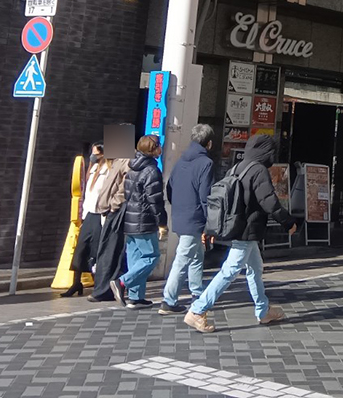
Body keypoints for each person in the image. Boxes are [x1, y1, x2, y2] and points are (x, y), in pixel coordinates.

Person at [185, 134, 297, 333]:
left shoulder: (237, 167)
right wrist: (288, 222)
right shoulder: (258, 170)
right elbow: (269, 201)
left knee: (255, 268)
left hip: (238, 227)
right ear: (266, 152)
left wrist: (210, 228)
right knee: (230, 270)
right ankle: (198, 310)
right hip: (247, 229)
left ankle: (263, 310)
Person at [158, 124, 216, 314]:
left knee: (197, 254)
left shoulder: (181, 160)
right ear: (209, 143)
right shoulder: (206, 163)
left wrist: (177, 205)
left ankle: (197, 292)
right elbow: (206, 195)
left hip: (180, 214)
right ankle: (169, 300)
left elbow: (170, 187)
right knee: (183, 258)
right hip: (195, 217)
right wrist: (210, 221)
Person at [117, 135, 166, 309]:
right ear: (154, 149)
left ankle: (136, 297)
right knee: (151, 256)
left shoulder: (132, 168)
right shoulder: (152, 170)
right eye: (159, 146)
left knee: (135, 258)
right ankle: (123, 282)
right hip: (144, 221)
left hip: (130, 220)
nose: (161, 148)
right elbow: (155, 201)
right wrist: (162, 222)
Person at [63, 143, 110, 296]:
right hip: (89, 213)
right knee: (81, 248)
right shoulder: (93, 169)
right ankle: (76, 282)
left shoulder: (108, 170)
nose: (93, 156)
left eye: (96, 153)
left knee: (96, 250)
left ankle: (99, 284)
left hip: (100, 213)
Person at [87, 149, 130, 302]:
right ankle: (102, 289)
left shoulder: (127, 161)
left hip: (117, 211)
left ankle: (106, 289)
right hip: (108, 210)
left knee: (112, 251)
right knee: (106, 250)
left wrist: (114, 205)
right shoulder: (118, 160)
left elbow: (124, 187)